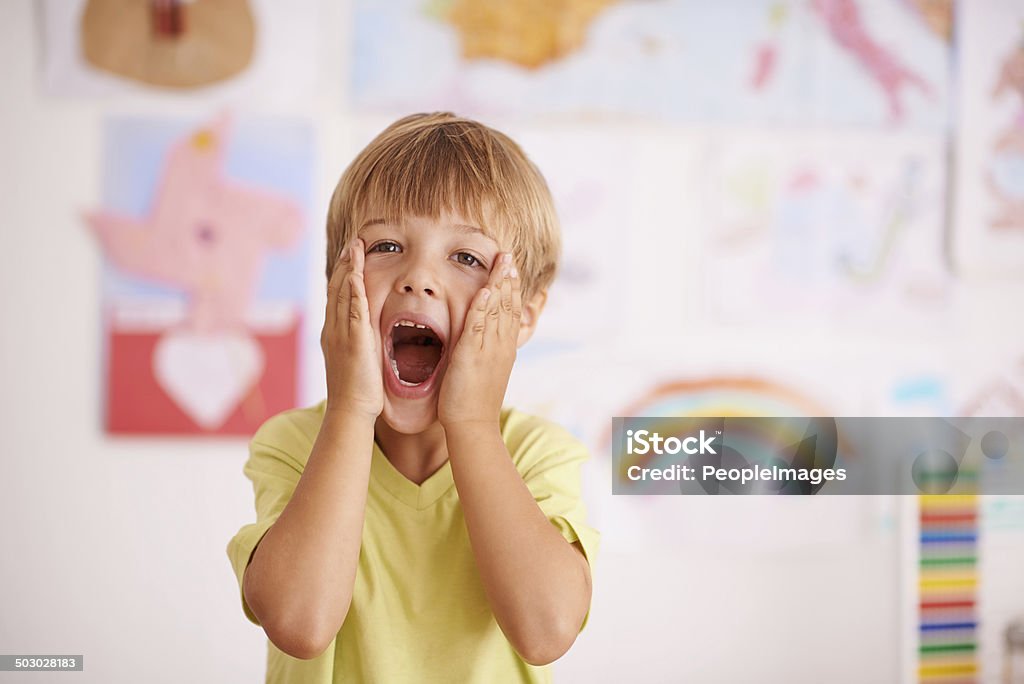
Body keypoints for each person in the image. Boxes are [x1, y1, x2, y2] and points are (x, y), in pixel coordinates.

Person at [226, 112, 599, 683]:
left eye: (467, 258)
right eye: (388, 246)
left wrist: (472, 423)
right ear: (336, 286)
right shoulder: (294, 444)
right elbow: (300, 623)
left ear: (521, 316)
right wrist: (350, 409)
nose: (418, 278)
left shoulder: (537, 454)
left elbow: (546, 630)